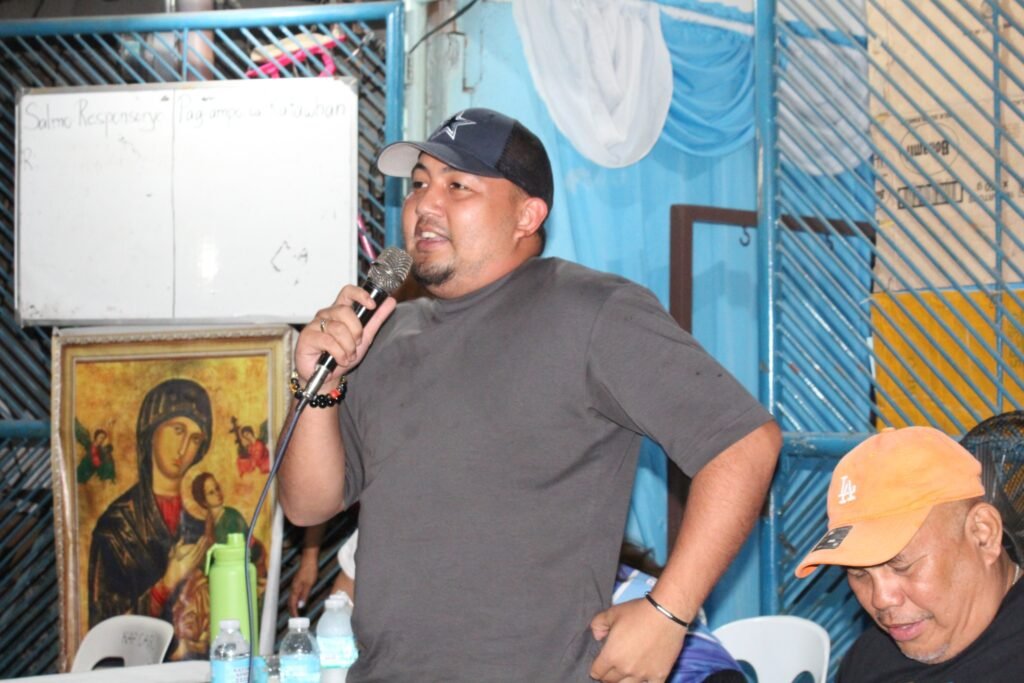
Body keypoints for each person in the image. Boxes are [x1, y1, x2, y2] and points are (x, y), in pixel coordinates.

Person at [277, 107, 781, 681]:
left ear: (527, 214)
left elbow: (745, 445)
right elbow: (307, 505)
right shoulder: (384, 335)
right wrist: (318, 386)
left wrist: (668, 612)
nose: (424, 205)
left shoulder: (592, 311)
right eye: (418, 184)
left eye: (457, 186)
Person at [795, 426, 1024, 680]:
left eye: (901, 566)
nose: (881, 599)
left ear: (983, 533)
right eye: (858, 574)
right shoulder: (869, 658)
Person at [87, 378, 213, 657]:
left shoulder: (201, 526)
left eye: (195, 439)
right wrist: (166, 584)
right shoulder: (116, 527)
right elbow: (104, 633)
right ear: (151, 431)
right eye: (177, 430)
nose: (184, 448)